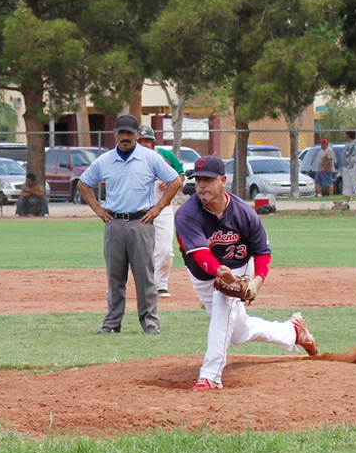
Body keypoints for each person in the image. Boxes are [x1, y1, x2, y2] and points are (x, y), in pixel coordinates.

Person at [174, 156, 318, 391]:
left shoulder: (245, 213)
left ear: (223, 181)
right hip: (205, 274)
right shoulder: (187, 214)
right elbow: (200, 255)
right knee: (237, 332)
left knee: (223, 312)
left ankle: (210, 376)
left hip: (239, 269)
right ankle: (292, 331)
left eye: (208, 180)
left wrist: (255, 283)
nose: (201, 186)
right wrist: (220, 271)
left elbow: (262, 253)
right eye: (198, 180)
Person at [78, 114, 182, 335]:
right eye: (121, 133)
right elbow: (83, 184)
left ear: (137, 134)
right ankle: (112, 323)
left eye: (129, 133)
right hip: (114, 222)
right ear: (114, 134)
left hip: (140, 222)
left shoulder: (150, 157)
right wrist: (98, 209)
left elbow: (176, 180)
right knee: (115, 276)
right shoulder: (104, 160)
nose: (125, 137)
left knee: (145, 276)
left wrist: (158, 207)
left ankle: (150, 322)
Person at [136, 125, 184, 298]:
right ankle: (119, 285)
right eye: (140, 141)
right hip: (137, 210)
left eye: (147, 141)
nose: (144, 144)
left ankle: (160, 285)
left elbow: (180, 176)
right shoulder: (129, 159)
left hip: (163, 208)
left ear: (153, 142)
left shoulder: (166, 157)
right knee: (133, 250)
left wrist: (171, 182)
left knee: (164, 250)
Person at [335, 131, 356, 210]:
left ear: (348, 135)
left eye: (345, 134)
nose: (344, 135)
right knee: (347, 185)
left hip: (355, 168)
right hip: (347, 168)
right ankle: (347, 203)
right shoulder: (346, 144)